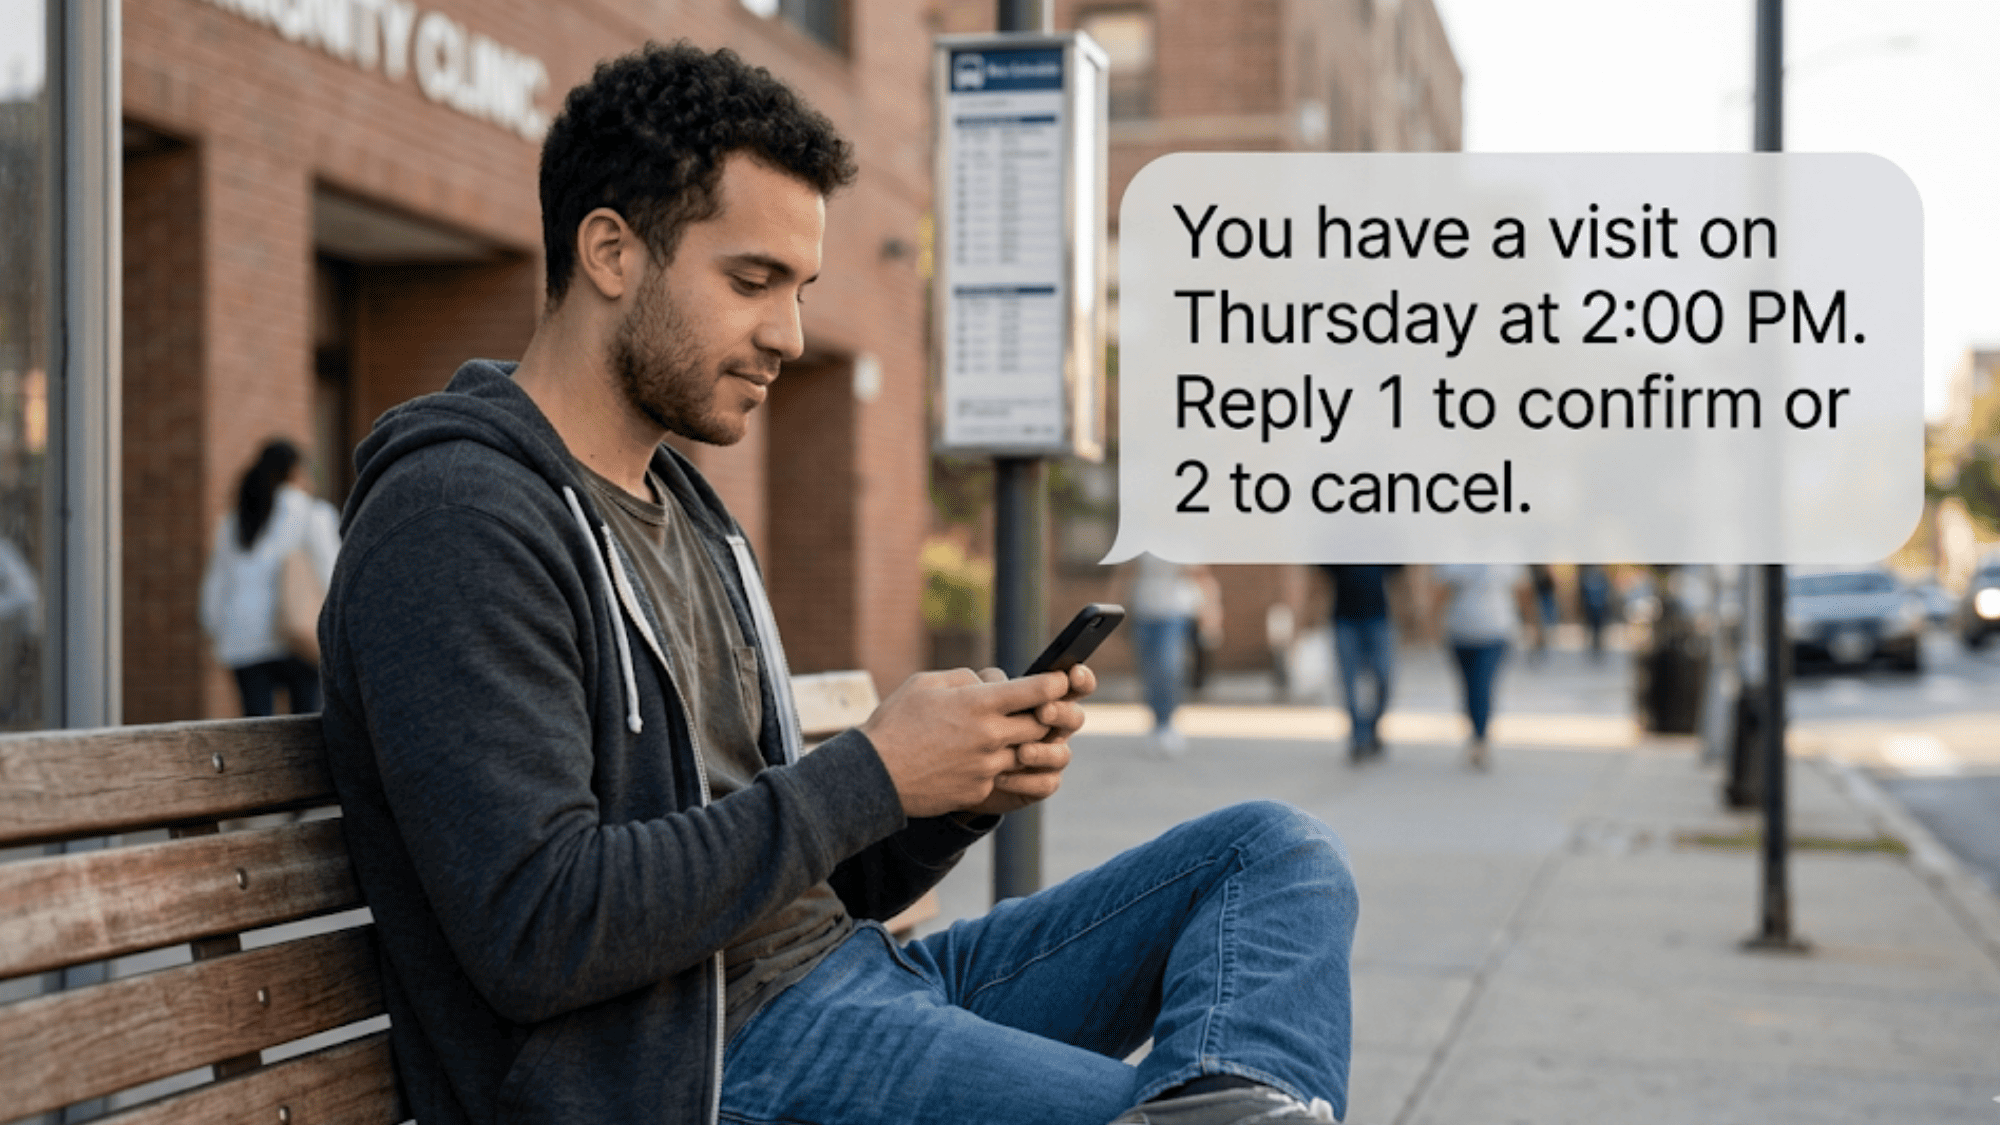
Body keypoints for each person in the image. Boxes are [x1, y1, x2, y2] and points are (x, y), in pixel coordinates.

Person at [318, 42, 1356, 1125]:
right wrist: (869, 772)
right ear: (611, 252)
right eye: (751, 281)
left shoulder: (692, 516)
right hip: (694, 1068)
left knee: (1273, 855)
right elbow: (538, 933)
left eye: (800, 289)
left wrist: (941, 799)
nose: (789, 334)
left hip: (847, 985)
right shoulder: (457, 519)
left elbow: (805, 888)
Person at [198, 438, 340, 716]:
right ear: (295, 471)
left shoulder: (234, 520)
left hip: (242, 638)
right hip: (295, 635)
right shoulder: (311, 513)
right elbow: (331, 572)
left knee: (256, 728)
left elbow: (215, 585)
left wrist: (216, 628)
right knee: (307, 728)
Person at [1431, 564, 1530, 769]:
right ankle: (1476, 732)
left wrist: (1531, 623)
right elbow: (1440, 590)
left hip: (1496, 633)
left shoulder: (1505, 551)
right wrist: (1434, 623)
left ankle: (1480, 738)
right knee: (1468, 688)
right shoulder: (1454, 553)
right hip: (1460, 633)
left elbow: (1523, 590)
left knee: (1482, 686)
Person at [1121, 552, 1219, 757]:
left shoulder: (1182, 539)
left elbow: (1201, 576)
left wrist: (1210, 615)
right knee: (1149, 671)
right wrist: (1118, 607)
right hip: (1143, 610)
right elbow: (1125, 573)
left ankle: (1167, 722)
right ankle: (1157, 722)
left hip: (1173, 612)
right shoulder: (1140, 539)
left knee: (1168, 667)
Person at [1318, 565, 1400, 761]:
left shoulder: (1379, 544)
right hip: (1345, 621)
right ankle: (1359, 737)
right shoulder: (1340, 545)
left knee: (1383, 676)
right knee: (1349, 682)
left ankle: (1372, 726)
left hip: (1379, 618)